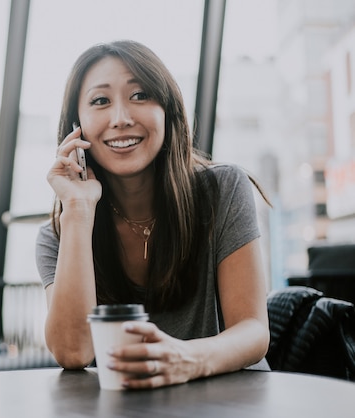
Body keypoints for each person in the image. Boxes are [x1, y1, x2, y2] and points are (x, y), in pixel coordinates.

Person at [36, 40, 271, 389]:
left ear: (168, 110)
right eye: (100, 101)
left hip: (229, 402)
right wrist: (78, 209)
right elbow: (73, 352)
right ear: (77, 126)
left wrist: (187, 360)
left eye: (140, 95)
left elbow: (253, 331)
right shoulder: (61, 231)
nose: (121, 119)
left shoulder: (222, 190)